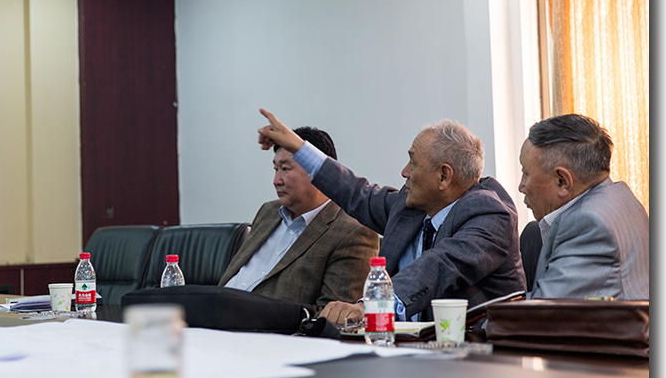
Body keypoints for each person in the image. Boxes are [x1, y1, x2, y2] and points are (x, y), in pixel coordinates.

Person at [257, 109, 525, 323]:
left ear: (444, 176)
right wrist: (298, 147)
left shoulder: (490, 214)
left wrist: (373, 306)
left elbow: (439, 265)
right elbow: (355, 192)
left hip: (476, 355)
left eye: (413, 162)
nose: (404, 172)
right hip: (407, 349)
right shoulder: (411, 206)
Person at [219, 125, 380, 312]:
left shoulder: (353, 232)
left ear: (316, 170)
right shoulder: (268, 211)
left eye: (285, 169)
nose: (276, 180)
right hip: (212, 315)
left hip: (260, 327)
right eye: (275, 169)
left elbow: (332, 316)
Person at [518, 114, 649, 300]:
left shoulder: (588, 225)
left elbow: (547, 308)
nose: (521, 186)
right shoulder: (620, 197)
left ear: (562, 181)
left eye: (526, 174)